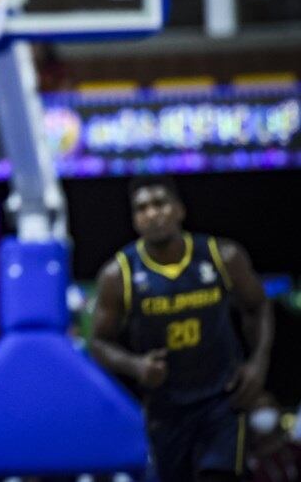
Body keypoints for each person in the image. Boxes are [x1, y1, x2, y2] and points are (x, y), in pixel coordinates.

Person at [90, 175, 274, 482]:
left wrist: (258, 364)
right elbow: (97, 343)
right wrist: (135, 366)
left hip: (222, 399)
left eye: (160, 204)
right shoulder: (118, 274)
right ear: (135, 220)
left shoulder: (221, 256)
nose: (152, 213)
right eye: (142, 208)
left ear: (179, 210)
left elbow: (258, 306)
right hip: (166, 408)